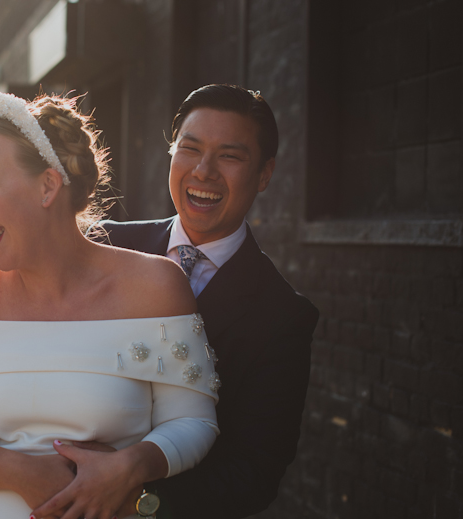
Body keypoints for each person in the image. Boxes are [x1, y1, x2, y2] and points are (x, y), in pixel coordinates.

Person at [0, 92, 221, 519]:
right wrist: (24, 475)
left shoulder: (155, 286)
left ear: (47, 186)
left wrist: (129, 468)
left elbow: (194, 422)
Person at [77, 84, 319, 518]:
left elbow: (253, 474)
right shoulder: (101, 243)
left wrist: (134, 497)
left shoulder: (283, 317)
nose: (204, 171)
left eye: (230, 156)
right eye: (190, 149)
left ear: (265, 173)